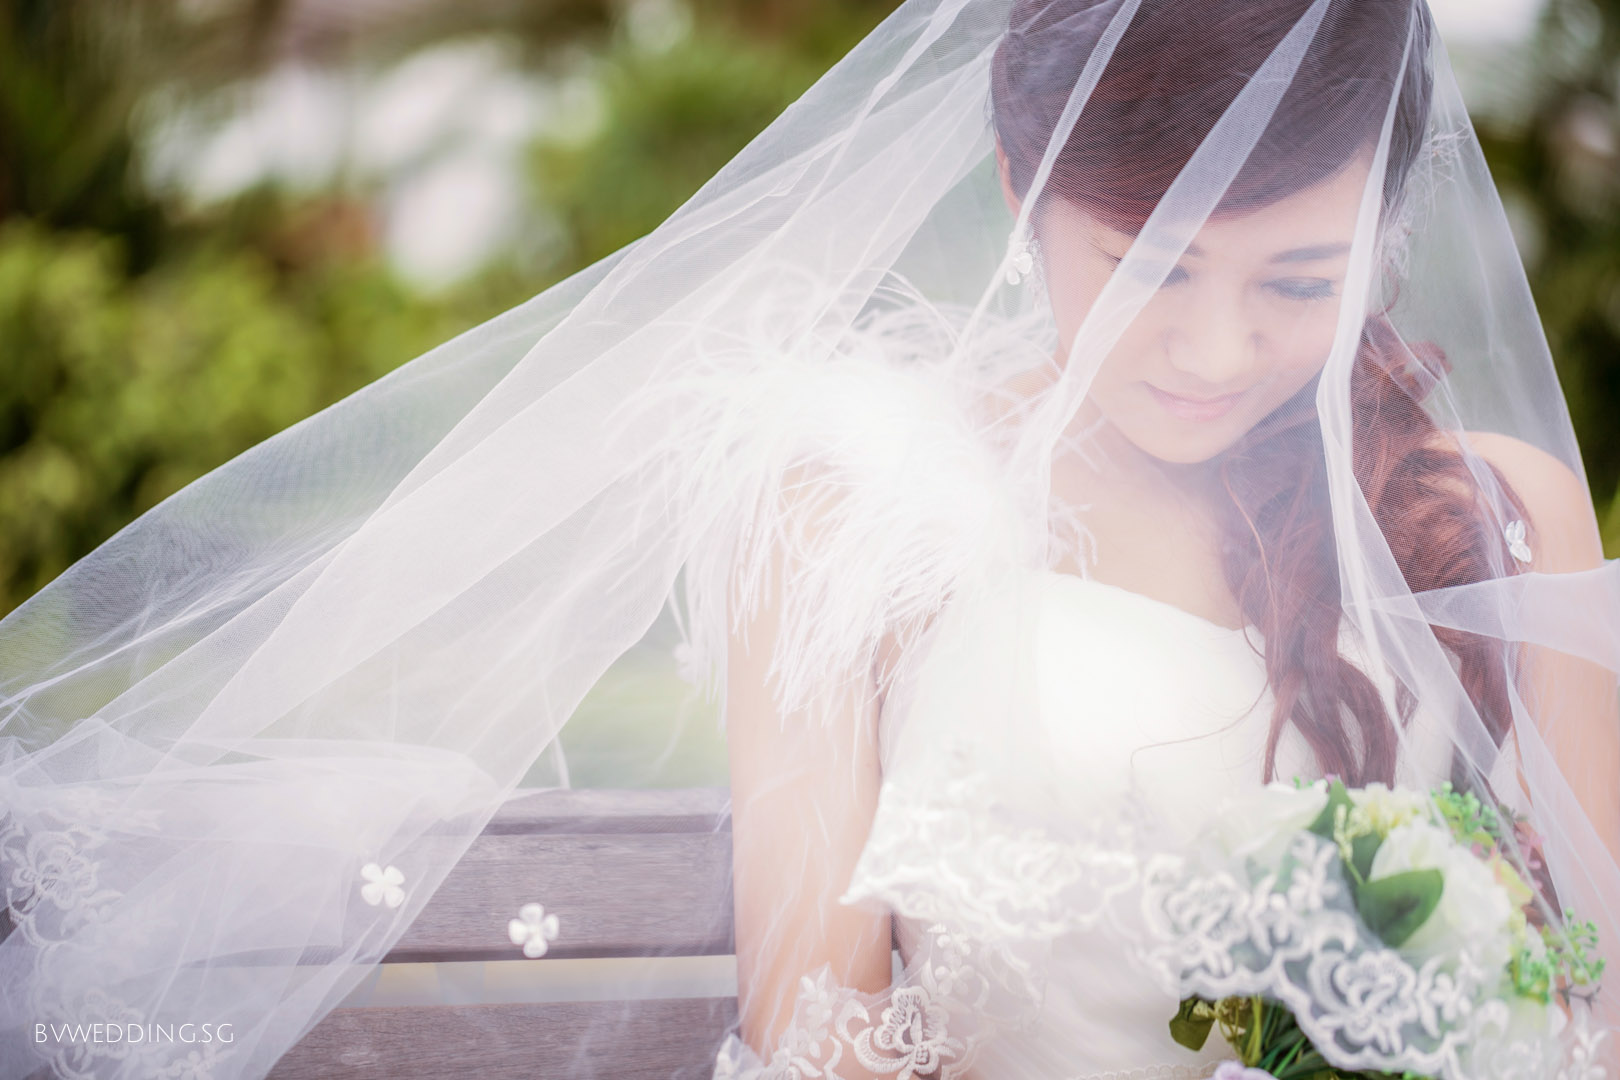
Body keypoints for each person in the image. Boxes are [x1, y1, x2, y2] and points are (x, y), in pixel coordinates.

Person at [0, 0, 1615, 1078]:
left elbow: (1594, 1000)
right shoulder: (861, 496)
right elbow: (820, 1030)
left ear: (1383, 235)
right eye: (1149, 268)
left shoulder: (1497, 513)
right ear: (1021, 190)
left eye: (1298, 285)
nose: (1211, 349)